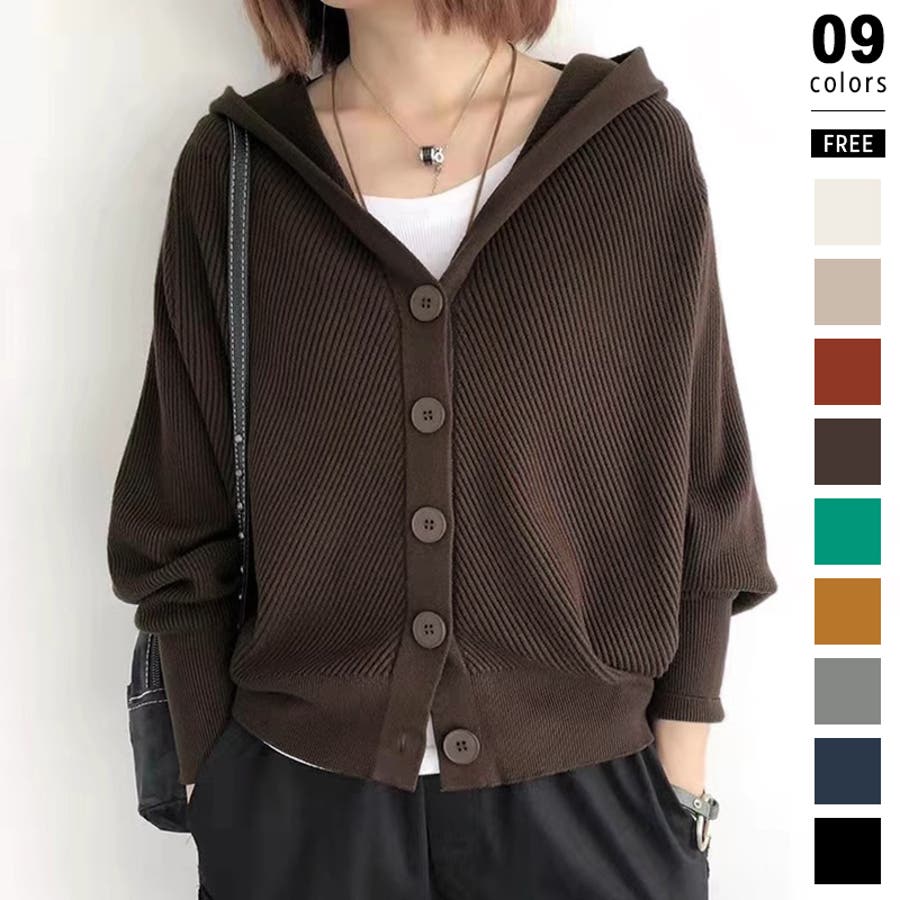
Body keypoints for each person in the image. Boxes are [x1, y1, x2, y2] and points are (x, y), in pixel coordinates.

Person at [107, 1, 777, 897]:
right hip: (297, 811)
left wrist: (680, 782)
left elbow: (704, 489)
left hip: (592, 809)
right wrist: (213, 783)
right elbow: (177, 511)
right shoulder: (235, 171)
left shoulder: (631, 151)